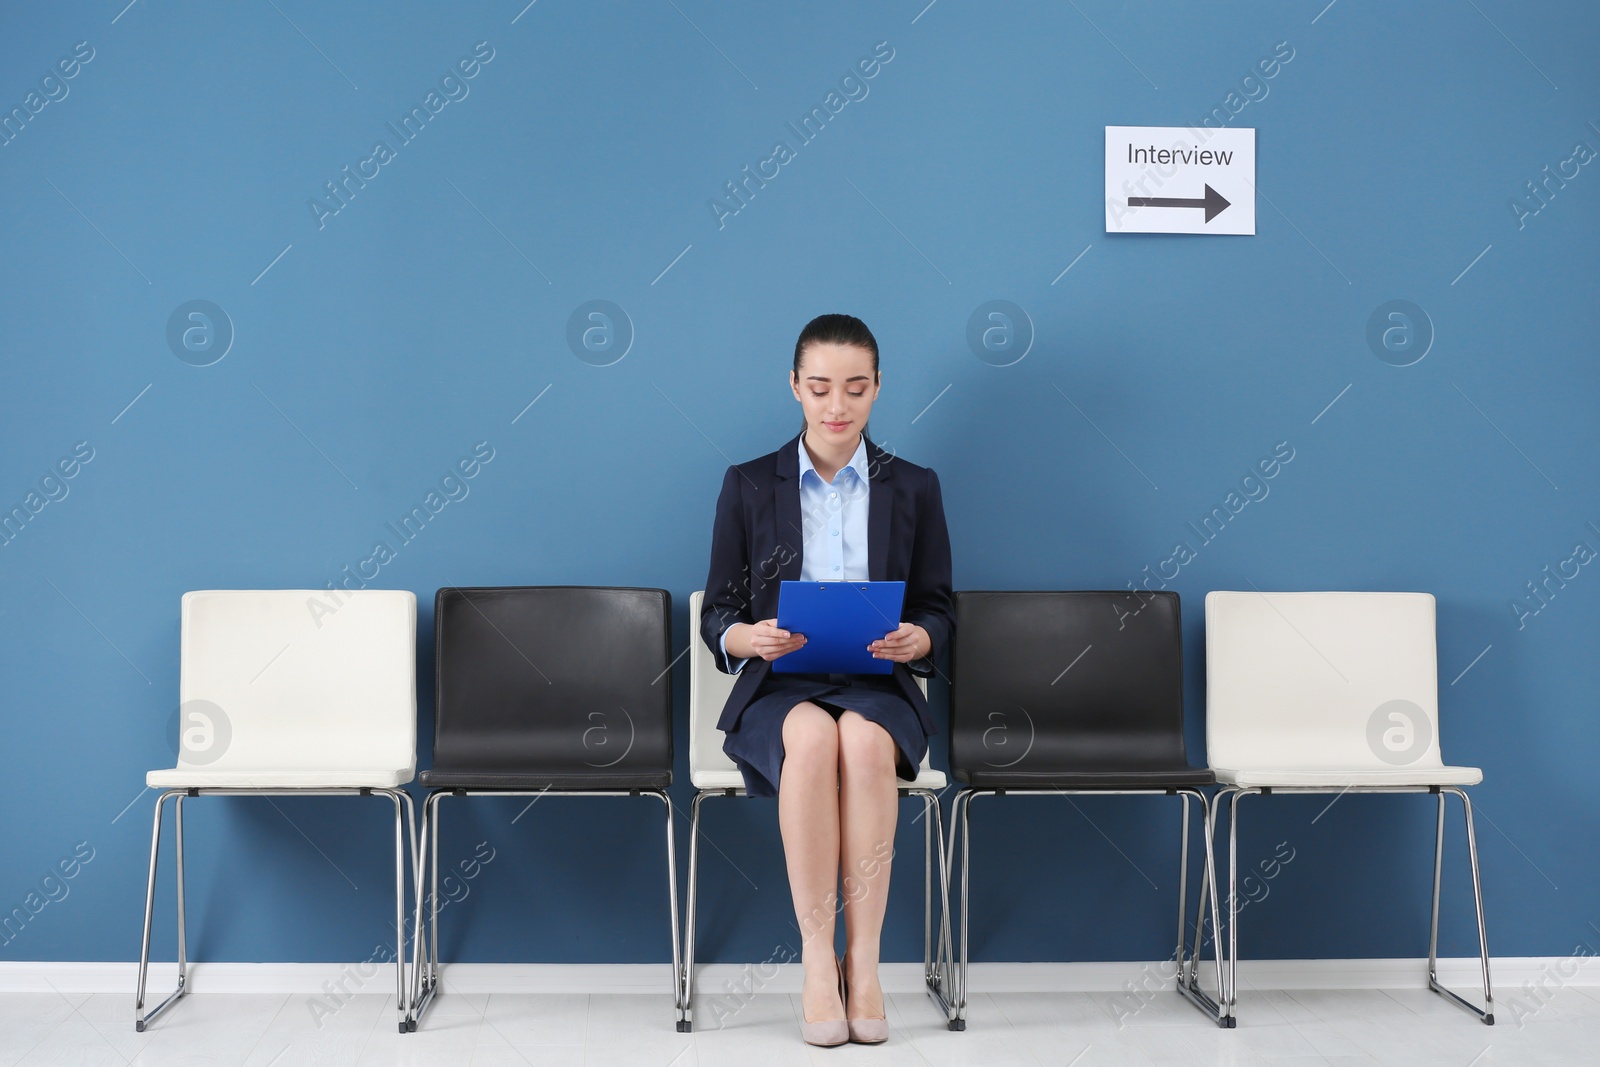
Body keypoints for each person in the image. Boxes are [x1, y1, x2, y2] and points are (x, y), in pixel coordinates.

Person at [699, 313, 954, 1046]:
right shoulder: (748, 483)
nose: (837, 406)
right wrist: (745, 635)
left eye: (854, 388)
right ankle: (817, 963)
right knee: (813, 741)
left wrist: (922, 635)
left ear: (877, 389)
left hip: (878, 681)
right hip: (779, 686)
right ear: (795, 388)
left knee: (864, 744)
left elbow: (939, 603)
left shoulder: (913, 486)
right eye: (819, 388)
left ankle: (864, 964)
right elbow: (717, 606)